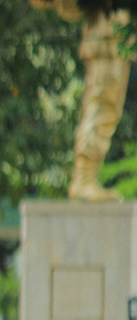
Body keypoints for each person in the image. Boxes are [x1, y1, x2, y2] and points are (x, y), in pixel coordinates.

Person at [33, 0, 134, 201]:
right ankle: (85, 178)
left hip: (118, 37)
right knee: (102, 107)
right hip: (106, 39)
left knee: (108, 109)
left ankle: (87, 178)